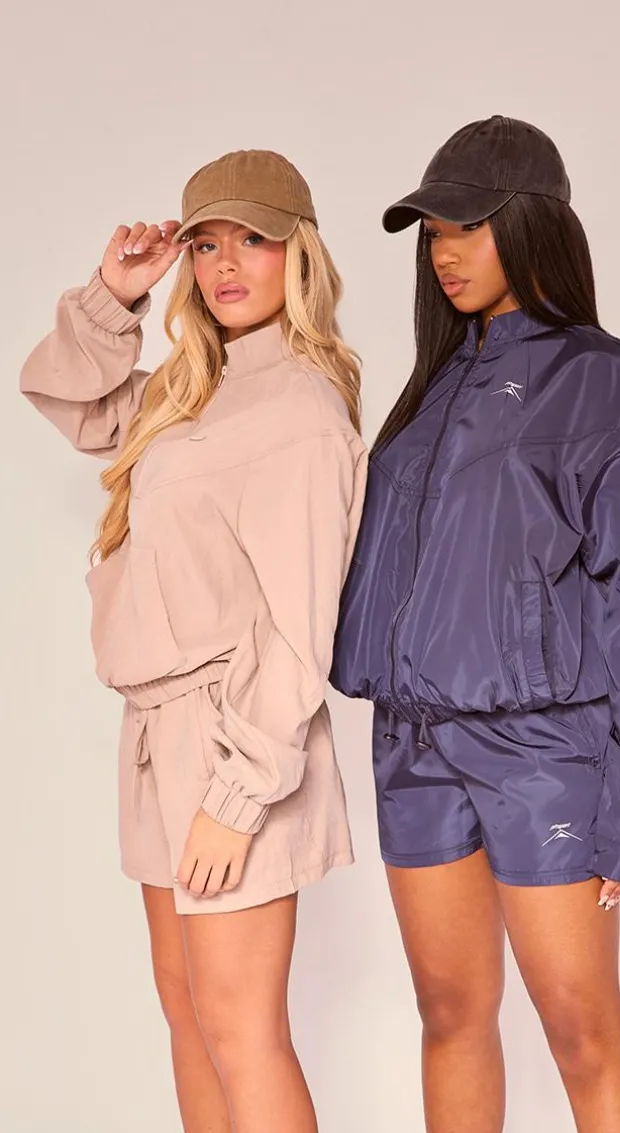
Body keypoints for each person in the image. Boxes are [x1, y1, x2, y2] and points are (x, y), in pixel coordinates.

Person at [331, 116, 620, 1133]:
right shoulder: (432, 386)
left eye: (468, 226)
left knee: (581, 1027)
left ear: (531, 225)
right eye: (432, 232)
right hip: (412, 745)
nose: (443, 252)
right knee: (449, 1015)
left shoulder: (597, 374)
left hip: (542, 751)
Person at [21, 149, 367, 1133]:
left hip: (233, 739)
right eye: (206, 244)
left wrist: (238, 790)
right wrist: (112, 297)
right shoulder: (190, 386)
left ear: (298, 253)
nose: (225, 264)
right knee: (190, 1019)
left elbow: (301, 625)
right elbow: (71, 401)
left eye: (252, 239)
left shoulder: (300, 407)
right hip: (157, 734)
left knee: (241, 1029)